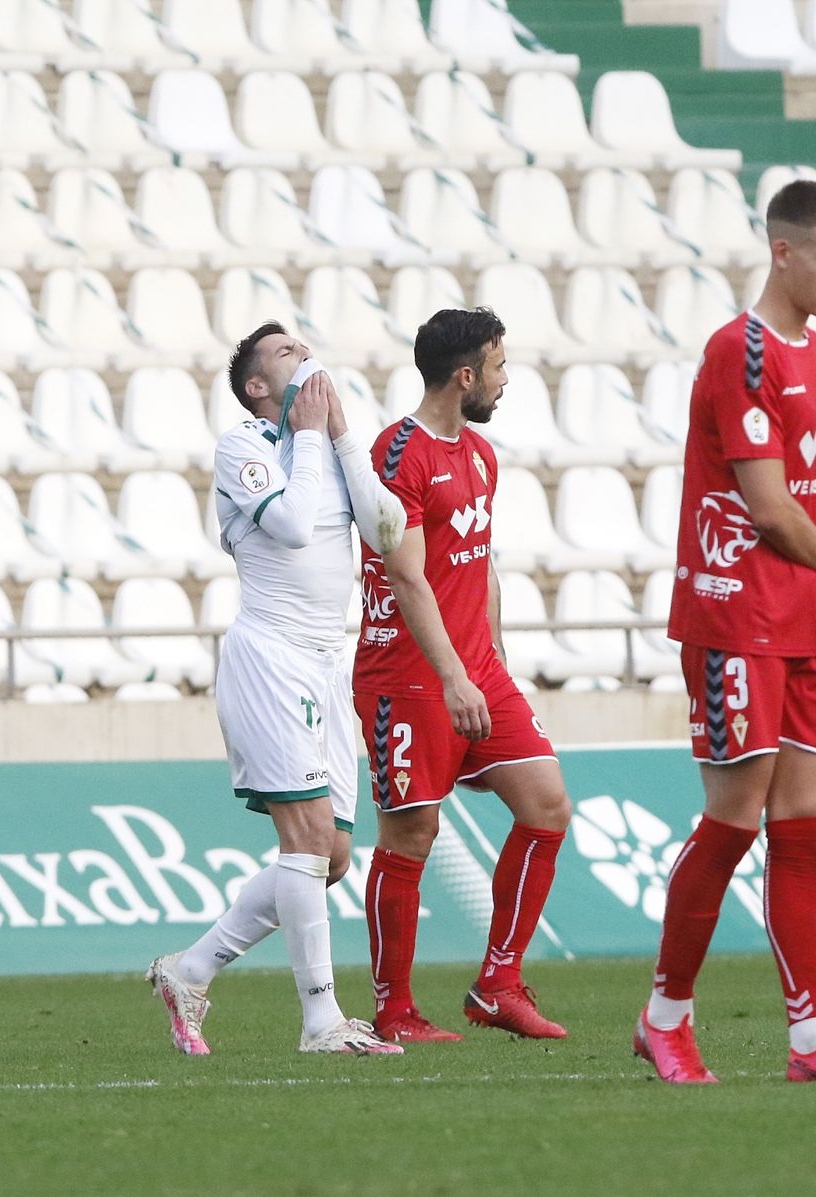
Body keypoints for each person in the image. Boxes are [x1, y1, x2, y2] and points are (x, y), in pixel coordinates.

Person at [634, 180, 816, 1086]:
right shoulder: (740, 351)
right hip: (735, 614)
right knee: (735, 818)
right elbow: (766, 505)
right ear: (782, 251)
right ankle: (664, 1015)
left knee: (804, 825)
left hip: (806, 619)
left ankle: (813, 1038)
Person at [147, 322, 407, 1056]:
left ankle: (189, 969)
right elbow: (292, 526)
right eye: (289, 352)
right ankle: (321, 1021)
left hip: (328, 663)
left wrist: (344, 435)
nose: (309, 357)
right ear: (259, 386)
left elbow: (386, 530)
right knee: (308, 838)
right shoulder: (245, 448)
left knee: (331, 858)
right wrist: (315, 438)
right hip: (271, 656)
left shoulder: (323, 444)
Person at [356, 307, 573, 1044]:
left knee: (547, 804)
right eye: (500, 367)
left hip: (475, 669)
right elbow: (408, 577)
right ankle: (393, 1011)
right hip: (409, 676)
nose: (506, 381)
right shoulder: (398, 455)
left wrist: (495, 665)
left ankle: (498, 983)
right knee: (412, 834)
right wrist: (454, 677)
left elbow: (481, 562)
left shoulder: (481, 455)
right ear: (466, 375)